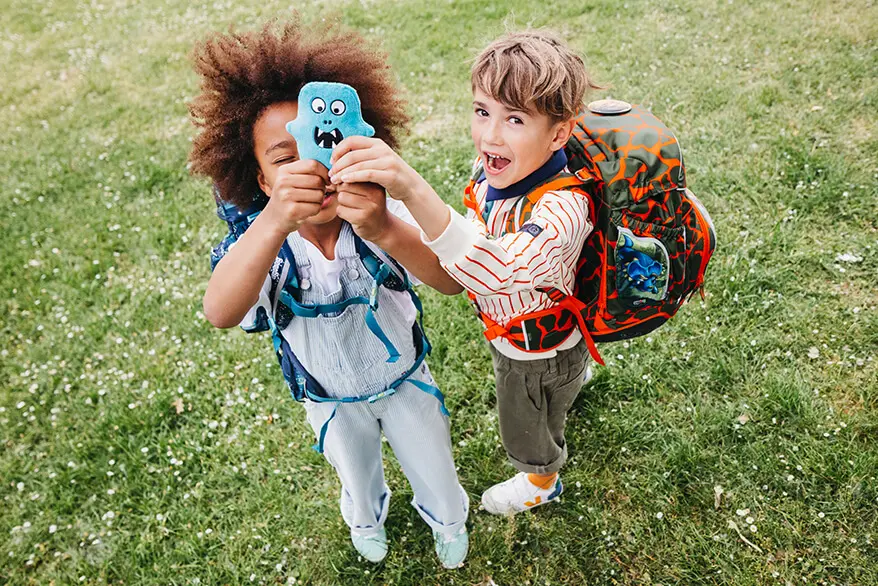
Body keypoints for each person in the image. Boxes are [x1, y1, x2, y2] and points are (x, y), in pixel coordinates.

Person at [188, 17, 469, 566]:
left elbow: (452, 281)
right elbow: (220, 311)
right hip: (330, 397)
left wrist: (386, 228)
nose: (309, 167)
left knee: (432, 458)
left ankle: (447, 519)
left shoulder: (381, 215)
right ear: (261, 181)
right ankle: (365, 518)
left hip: (406, 381)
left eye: (322, 144)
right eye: (284, 158)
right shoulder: (263, 246)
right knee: (355, 472)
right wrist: (270, 225)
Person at [329, 30, 601, 515]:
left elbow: (496, 270)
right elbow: (462, 258)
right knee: (556, 384)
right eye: (482, 111)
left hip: (533, 347)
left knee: (525, 415)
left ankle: (540, 477)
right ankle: (569, 383)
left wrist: (411, 187)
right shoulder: (500, 169)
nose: (491, 135)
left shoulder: (565, 209)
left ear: (559, 134)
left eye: (515, 119)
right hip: (537, 327)